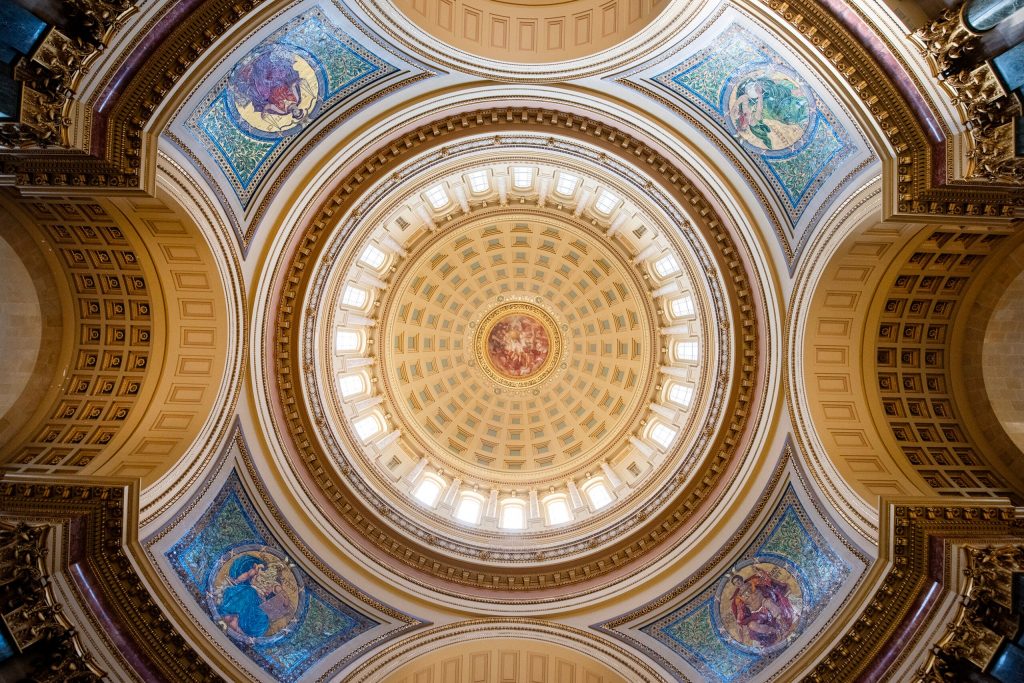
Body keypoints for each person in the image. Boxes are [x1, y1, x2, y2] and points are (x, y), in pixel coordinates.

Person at [729, 566, 796, 648]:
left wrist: (762, 574)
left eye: (738, 580)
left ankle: (783, 626)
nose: (738, 583)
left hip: (764, 602)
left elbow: (766, 581)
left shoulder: (753, 582)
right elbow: (740, 611)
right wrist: (739, 622)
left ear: (741, 579)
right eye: (736, 582)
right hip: (756, 613)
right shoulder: (738, 598)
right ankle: (775, 632)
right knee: (751, 625)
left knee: (769, 603)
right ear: (735, 585)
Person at [218, 554, 272, 638]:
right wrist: (239, 579)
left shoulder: (267, 583)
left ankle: (239, 626)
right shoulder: (253, 572)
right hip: (245, 593)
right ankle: (235, 617)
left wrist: (263, 598)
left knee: (263, 616)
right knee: (249, 592)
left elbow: (264, 596)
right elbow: (241, 579)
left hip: (256, 600)